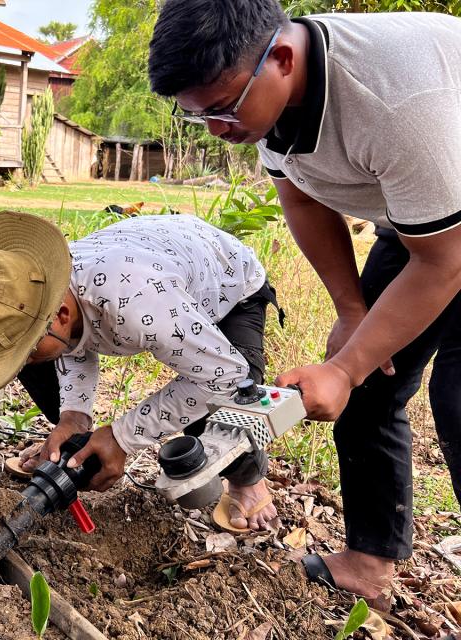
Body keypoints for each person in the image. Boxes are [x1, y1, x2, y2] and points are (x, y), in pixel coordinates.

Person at [147, 0, 461, 605]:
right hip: (428, 215)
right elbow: (305, 202)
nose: (215, 128)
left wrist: (343, 368)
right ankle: (369, 562)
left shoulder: (392, 100)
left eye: (220, 111)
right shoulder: (261, 100)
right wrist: (351, 312)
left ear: (282, 60)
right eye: (198, 116)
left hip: (445, 223)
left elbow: (445, 261)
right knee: (373, 373)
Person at [0, 210, 283, 531]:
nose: (23, 361)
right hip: (152, 264)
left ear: (62, 315)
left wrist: (122, 436)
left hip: (227, 286)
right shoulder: (48, 293)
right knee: (39, 364)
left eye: (29, 348)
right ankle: (78, 442)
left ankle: (248, 480)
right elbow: (72, 339)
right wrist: (73, 416)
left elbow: (224, 375)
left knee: (231, 403)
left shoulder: (138, 303)